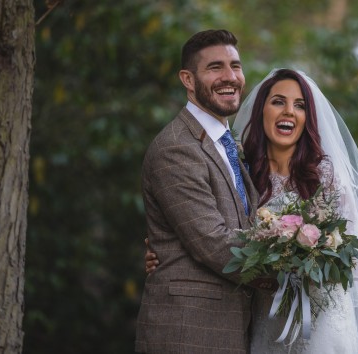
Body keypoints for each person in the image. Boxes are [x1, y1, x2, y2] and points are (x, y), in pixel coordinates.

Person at [146, 69, 358, 353]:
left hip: (321, 323)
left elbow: (355, 263)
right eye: (278, 101)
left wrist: (308, 260)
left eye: (300, 105)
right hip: (264, 320)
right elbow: (208, 229)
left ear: (308, 118)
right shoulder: (240, 170)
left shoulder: (327, 175)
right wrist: (166, 251)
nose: (289, 112)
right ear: (261, 111)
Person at [135, 29, 273, 354]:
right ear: (187, 78)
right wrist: (291, 270)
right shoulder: (175, 147)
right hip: (188, 332)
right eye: (215, 67)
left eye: (235, 66)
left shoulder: (229, 143)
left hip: (234, 326)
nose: (230, 77)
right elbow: (211, 242)